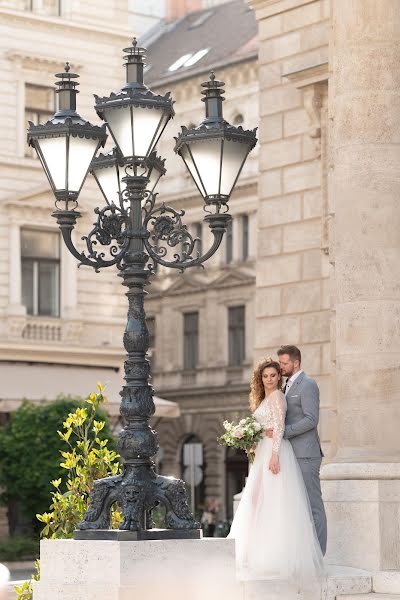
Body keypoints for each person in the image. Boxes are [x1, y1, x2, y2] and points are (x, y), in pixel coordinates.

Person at [227, 358, 324, 591]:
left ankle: (275, 556)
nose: (269, 379)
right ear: (260, 379)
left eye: (273, 375)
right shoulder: (264, 398)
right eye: (265, 376)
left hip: (274, 454)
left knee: (272, 502)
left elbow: (279, 426)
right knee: (255, 500)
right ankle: (252, 552)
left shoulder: (278, 397)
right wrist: (251, 440)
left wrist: (274, 455)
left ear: (278, 377)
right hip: (261, 454)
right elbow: (265, 426)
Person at [265, 345, 327, 555]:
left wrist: (284, 432)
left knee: (313, 506)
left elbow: (311, 419)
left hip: (307, 454)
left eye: (284, 363)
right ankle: (305, 555)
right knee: (298, 506)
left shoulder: (308, 384)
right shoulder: (286, 386)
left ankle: (319, 555)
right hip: (291, 455)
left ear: (296, 363)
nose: (281, 367)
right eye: (280, 363)